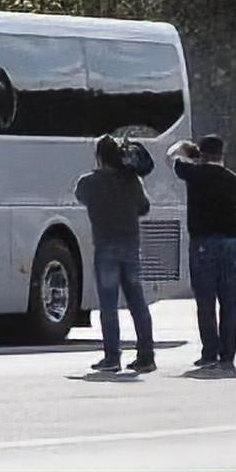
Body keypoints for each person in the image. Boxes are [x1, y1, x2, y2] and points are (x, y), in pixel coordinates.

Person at [74, 135, 156, 373]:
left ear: (99, 157)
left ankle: (112, 357)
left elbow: (80, 196)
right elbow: (144, 208)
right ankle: (146, 355)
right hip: (130, 244)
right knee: (137, 302)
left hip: (105, 245)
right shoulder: (132, 181)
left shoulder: (88, 182)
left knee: (108, 304)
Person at [166, 134, 236, 373]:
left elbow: (170, 156)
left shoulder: (194, 174)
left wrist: (184, 148)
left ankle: (210, 351)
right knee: (229, 301)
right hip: (230, 241)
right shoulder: (233, 180)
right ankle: (228, 354)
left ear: (202, 154)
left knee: (206, 300)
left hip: (203, 241)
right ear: (222, 154)